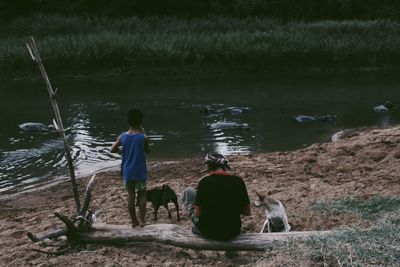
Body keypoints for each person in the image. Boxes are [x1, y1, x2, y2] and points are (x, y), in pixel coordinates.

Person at [181, 153, 251, 241]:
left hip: (208, 232)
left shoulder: (204, 182)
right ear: (225, 166)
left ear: (209, 166)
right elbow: (247, 212)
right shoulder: (238, 181)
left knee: (189, 191)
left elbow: (198, 213)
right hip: (233, 232)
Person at [110, 108, 150, 227]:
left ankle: (133, 221)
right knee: (142, 195)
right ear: (141, 121)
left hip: (128, 171)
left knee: (131, 196)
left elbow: (112, 149)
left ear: (126, 120)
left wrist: (121, 151)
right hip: (140, 171)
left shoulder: (123, 137)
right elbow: (148, 150)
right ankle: (142, 220)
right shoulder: (143, 138)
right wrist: (145, 134)